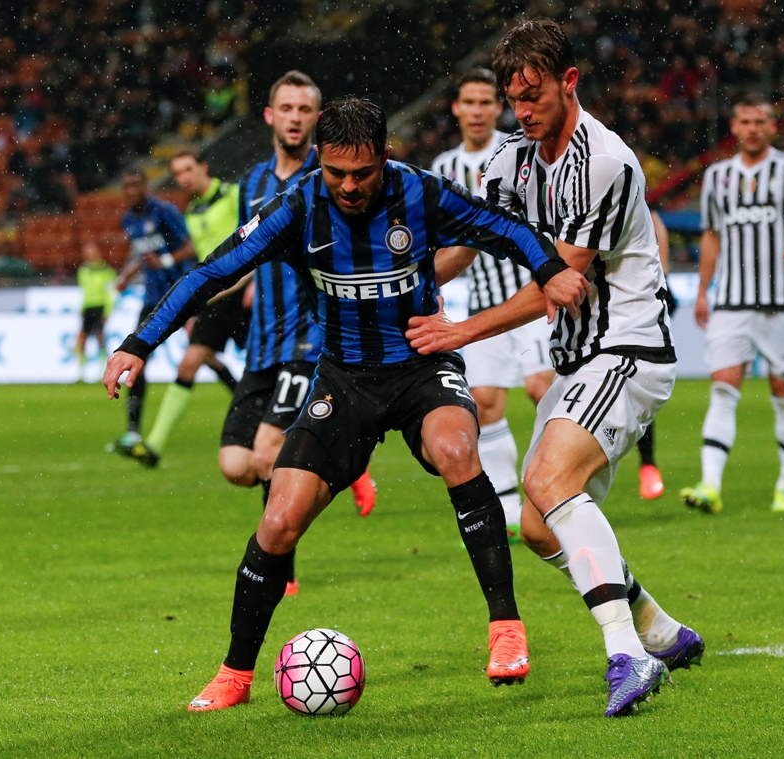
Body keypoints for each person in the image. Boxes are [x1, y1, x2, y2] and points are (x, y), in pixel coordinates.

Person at [102, 96, 590, 712]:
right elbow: (209, 273)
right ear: (318, 161)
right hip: (343, 381)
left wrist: (548, 269)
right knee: (278, 521)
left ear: (386, 157)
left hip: (420, 364)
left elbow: (509, 229)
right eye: (337, 173)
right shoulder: (297, 206)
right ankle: (235, 672)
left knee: (456, 449)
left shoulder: (423, 193)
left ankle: (506, 629)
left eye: (363, 173)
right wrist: (139, 343)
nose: (350, 186)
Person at [406, 19, 704, 718]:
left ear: (570, 81)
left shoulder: (607, 161)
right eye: (514, 98)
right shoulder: (510, 161)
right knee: (541, 525)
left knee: (544, 479)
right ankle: (662, 629)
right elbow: (472, 244)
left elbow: (560, 277)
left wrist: (460, 328)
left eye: (534, 95)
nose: (523, 111)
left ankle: (626, 654)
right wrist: (407, 281)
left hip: (630, 348)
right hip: (576, 361)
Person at [219, 71, 376, 539]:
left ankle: (278, 563)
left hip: (310, 337)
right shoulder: (253, 183)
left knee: (268, 453)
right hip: (262, 342)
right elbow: (245, 258)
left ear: (318, 118)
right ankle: (347, 461)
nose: (295, 118)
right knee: (236, 465)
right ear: (270, 115)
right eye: (286, 108)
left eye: (304, 110)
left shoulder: (329, 177)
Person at [680, 92, 784, 515]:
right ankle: (710, 485)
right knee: (722, 389)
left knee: (783, 392)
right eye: (745, 121)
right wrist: (702, 290)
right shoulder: (717, 177)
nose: (752, 128)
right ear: (734, 127)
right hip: (731, 301)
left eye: (761, 121)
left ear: (773, 126)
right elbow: (711, 235)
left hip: (781, 301)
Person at [430, 67, 555, 541]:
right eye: (470, 102)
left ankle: (553, 487)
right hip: (481, 300)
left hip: (529, 294)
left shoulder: (521, 151)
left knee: (542, 389)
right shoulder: (443, 168)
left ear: (497, 108)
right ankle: (507, 504)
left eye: (487, 102)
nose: (478, 111)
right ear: (457, 109)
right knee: (484, 403)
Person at [125, 149, 252, 468]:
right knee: (190, 363)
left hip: (248, 291)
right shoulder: (191, 212)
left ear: (203, 168)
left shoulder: (235, 194)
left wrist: (258, 282)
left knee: (270, 363)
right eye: (177, 173)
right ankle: (153, 444)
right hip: (216, 298)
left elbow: (264, 235)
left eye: (187, 170)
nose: (183, 178)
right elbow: (199, 255)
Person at [108, 169, 197, 456]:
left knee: (203, 353)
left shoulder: (164, 212)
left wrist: (167, 259)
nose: (131, 190)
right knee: (137, 356)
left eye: (136, 184)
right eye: (127, 185)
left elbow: (191, 245)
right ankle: (133, 431)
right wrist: (126, 275)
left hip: (181, 293)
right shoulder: (128, 219)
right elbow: (142, 254)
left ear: (144, 186)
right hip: (153, 299)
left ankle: (247, 406)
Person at [635, 210, 675, 500]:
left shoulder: (648, 215)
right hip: (596, 314)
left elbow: (663, 270)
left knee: (639, 385)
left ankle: (648, 465)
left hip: (638, 307)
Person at [74, 240, 117, 381]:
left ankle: (102, 369)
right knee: (82, 339)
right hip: (88, 307)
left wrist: (108, 311)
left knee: (100, 337)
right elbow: (84, 291)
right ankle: (81, 371)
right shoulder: (83, 271)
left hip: (100, 307)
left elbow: (110, 293)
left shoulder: (107, 271)